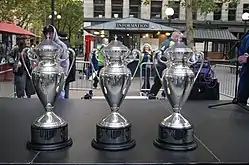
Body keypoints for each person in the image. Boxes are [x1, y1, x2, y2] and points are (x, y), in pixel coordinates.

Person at [147, 31, 183, 99]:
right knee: (169, 80)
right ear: (176, 37)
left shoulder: (165, 42)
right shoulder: (173, 43)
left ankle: (152, 93)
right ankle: (167, 94)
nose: (181, 39)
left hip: (161, 63)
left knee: (159, 80)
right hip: (167, 64)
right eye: (180, 38)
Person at [42, 25, 70, 99]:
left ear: (54, 33)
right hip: (45, 75)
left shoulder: (61, 45)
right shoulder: (43, 45)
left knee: (59, 94)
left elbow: (65, 61)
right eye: (46, 33)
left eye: (50, 33)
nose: (48, 35)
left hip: (58, 75)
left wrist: (64, 74)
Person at [58, 31, 76, 99]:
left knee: (61, 87)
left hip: (62, 69)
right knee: (66, 86)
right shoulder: (68, 44)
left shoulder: (61, 45)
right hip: (68, 70)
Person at [237, 34, 249, 106]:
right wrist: (241, 57)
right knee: (244, 87)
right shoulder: (247, 37)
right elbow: (242, 51)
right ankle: (241, 101)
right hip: (247, 68)